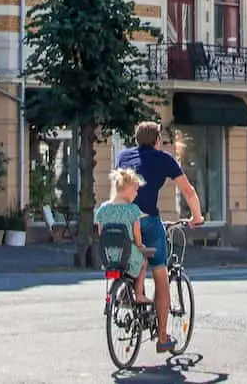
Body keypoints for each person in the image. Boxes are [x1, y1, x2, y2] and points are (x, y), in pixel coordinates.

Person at [115, 121, 204, 354]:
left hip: (121, 219)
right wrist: (196, 215)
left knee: (134, 255)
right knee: (161, 275)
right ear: (157, 141)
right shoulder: (164, 158)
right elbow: (188, 190)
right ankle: (163, 337)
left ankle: (128, 289)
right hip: (147, 220)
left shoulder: (123, 156)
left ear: (136, 140)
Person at [93, 168, 152, 303]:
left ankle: (122, 292)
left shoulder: (103, 209)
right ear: (128, 190)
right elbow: (137, 237)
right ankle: (139, 294)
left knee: (122, 267)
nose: (137, 194)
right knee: (143, 262)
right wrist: (141, 246)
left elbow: (102, 233)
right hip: (128, 254)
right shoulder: (133, 210)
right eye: (136, 190)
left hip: (109, 255)